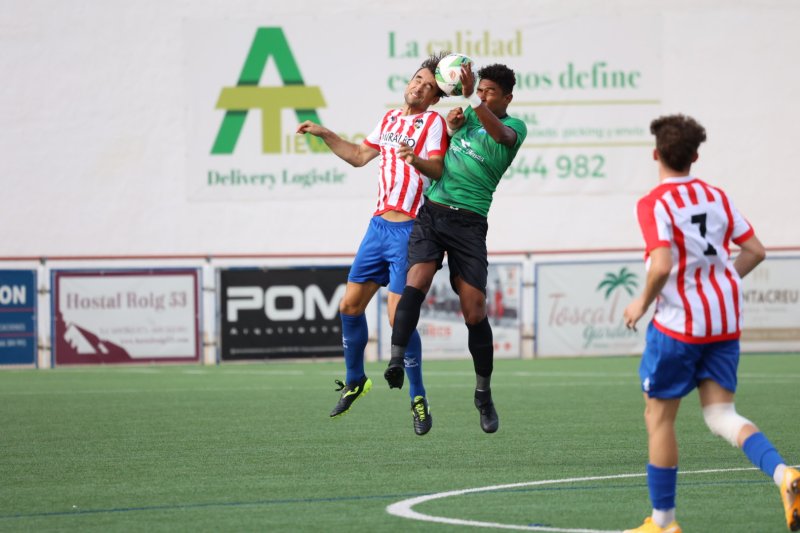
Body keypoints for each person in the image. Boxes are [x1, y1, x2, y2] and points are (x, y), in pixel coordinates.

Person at [622, 114, 799, 533]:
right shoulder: (716, 196)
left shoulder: (654, 202)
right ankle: (785, 475)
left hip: (680, 325)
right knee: (721, 415)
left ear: (656, 154)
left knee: (659, 417)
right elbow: (755, 250)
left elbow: (661, 264)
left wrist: (641, 303)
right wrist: (721, 282)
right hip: (724, 319)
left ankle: (663, 523)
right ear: (695, 156)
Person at [296, 53, 449, 436]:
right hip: (377, 228)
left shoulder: (433, 123)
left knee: (399, 318)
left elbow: (438, 168)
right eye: (417, 79)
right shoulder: (388, 119)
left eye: (429, 86)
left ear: (435, 97)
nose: (419, 86)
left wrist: (414, 159)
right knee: (349, 305)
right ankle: (355, 380)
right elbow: (360, 156)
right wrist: (326, 133)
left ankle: (418, 396)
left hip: (410, 231)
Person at [388, 62, 527, 433]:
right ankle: (395, 360)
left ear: (507, 98)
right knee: (413, 285)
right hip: (432, 214)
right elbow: (439, 157)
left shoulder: (513, 128)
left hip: (468, 224)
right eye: (479, 90)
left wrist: (471, 106)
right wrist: (450, 128)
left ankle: (483, 393)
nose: (481, 96)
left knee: (474, 311)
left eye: (489, 92)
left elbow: (501, 137)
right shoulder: (464, 117)